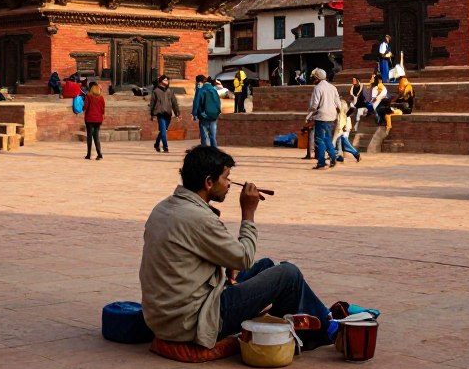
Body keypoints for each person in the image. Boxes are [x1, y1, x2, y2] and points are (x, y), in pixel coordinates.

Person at [140, 145, 337, 350]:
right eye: (226, 178)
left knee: (267, 266)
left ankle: (308, 323)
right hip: (192, 322)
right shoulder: (198, 218)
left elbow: (195, 252)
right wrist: (248, 213)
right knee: (289, 274)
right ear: (209, 182)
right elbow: (244, 259)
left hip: (164, 317)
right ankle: (326, 328)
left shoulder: (164, 207)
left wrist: (225, 263)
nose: (229, 184)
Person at [305, 68, 341, 170]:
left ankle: (321, 162)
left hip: (321, 116)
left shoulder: (318, 88)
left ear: (317, 78)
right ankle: (333, 157)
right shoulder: (332, 87)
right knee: (327, 138)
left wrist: (309, 114)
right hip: (332, 116)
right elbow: (338, 103)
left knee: (319, 139)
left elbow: (314, 104)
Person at [149, 74, 180, 153]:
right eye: (165, 80)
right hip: (160, 113)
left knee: (163, 130)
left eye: (167, 80)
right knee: (163, 131)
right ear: (161, 81)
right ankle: (165, 147)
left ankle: (156, 144)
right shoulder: (156, 91)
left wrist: (177, 114)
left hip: (168, 113)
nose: (167, 81)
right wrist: (152, 114)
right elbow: (152, 103)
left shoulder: (170, 91)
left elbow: (174, 103)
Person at [195, 75, 222, 148]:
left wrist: (197, 113)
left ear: (199, 82)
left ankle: (205, 151)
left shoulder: (201, 90)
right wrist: (217, 112)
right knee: (212, 136)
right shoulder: (213, 89)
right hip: (213, 115)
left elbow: (198, 102)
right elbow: (218, 102)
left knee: (204, 136)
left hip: (204, 116)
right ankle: (214, 150)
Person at [84, 82, 106, 160]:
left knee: (89, 136)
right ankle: (99, 153)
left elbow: (85, 107)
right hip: (98, 119)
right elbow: (103, 109)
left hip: (89, 118)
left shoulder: (88, 96)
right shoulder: (101, 97)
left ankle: (89, 154)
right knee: (96, 136)